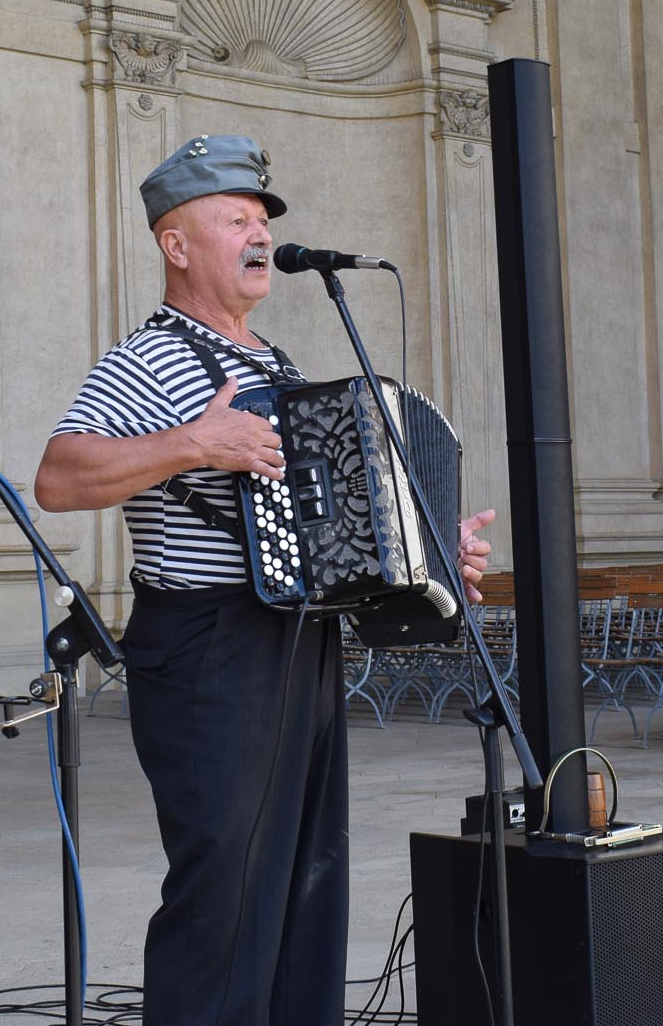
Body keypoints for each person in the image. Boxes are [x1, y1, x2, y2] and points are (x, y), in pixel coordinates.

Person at [34, 135, 492, 1026]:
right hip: (208, 647)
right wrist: (192, 443)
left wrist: (428, 553)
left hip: (296, 638)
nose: (257, 233)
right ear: (176, 244)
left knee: (305, 881)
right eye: (235, 218)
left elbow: (329, 526)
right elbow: (58, 476)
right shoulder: (151, 358)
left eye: (262, 219)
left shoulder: (272, 361)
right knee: (227, 890)